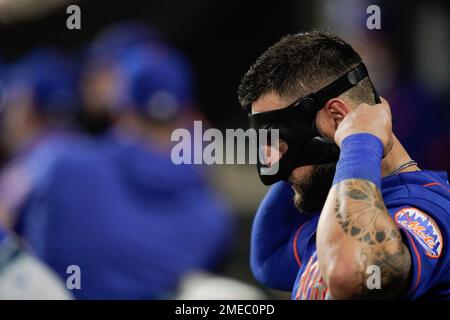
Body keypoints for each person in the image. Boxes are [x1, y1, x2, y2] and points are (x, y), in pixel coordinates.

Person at [237, 31, 450, 299]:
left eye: (283, 146)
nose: (277, 169)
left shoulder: (428, 207)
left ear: (338, 118)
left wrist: (359, 140)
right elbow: (267, 259)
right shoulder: (334, 215)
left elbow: (349, 272)